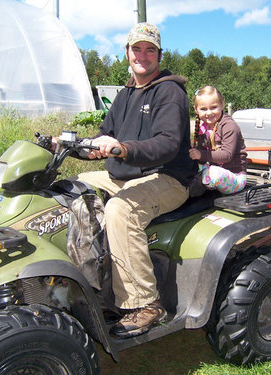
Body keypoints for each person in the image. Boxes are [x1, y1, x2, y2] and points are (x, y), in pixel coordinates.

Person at [75, 22, 197, 338]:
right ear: (127, 53)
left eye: (149, 49)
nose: (142, 55)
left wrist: (122, 148)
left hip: (168, 177)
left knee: (121, 210)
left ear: (159, 54)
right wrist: (83, 146)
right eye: (136, 49)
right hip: (126, 175)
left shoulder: (170, 92)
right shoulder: (126, 93)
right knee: (74, 188)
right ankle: (88, 280)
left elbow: (168, 144)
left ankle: (146, 303)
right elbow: (106, 133)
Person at [189, 85, 247, 195]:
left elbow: (226, 155)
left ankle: (193, 189)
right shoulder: (203, 128)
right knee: (185, 166)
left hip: (235, 177)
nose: (209, 112)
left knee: (213, 173)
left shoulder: (229, 126)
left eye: (213, 107)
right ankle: (192, 185)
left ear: (222, 104)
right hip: (212, 169)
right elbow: (201, 158)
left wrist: (200, 154)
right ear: (196, 110)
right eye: (203, 109)